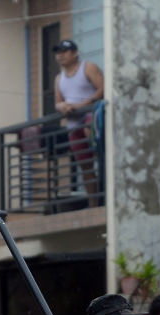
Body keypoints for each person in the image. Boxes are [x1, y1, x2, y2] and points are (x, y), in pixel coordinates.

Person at [53, 39, 104, 201]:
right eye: (58, 52)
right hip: (73, 124)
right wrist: (63, 107)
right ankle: (93, 203)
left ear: (75, 53)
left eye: (64, 51)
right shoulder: (59, 78)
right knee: (85, 165)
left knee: (90, 131)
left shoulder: (87, 67)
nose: (60, 55)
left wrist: (83, 104)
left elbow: (104, 88)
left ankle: (99, 153)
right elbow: (58, 102)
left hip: (92, 116)